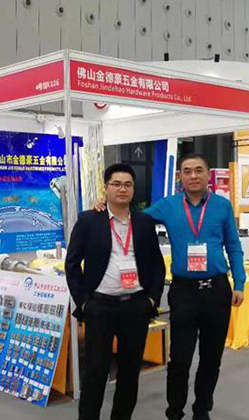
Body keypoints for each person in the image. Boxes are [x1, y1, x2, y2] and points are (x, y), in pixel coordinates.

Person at [95, 153, 245, 420]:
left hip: (217, 290)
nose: (193, 175)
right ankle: (174, 413)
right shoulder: (169, 205)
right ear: (180, 177)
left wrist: (240, 282)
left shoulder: (222, 206)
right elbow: (132, 217)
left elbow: (233, 246)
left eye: (198, 170)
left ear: (207, 174)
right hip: (184, 292)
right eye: (187, 171)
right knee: (180, 360)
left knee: (211, 359)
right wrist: (105, 205)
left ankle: (202, 411)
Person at [65, 163, 165, 420]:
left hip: (136, 306)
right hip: (100, 307)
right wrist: (83, 302)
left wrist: (152, 299)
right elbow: (72, 264)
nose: (122, 189)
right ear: (106, 188)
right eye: (116, 184)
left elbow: (157, 264)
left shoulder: (144, 222)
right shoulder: (89, 220)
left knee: (130, 372)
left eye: (128, 184)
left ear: (133, 189)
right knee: (95, 372)